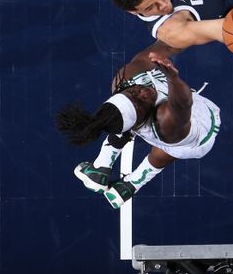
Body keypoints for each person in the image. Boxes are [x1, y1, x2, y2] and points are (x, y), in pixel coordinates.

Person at [55, 48, 219, 208]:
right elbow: (183, 103)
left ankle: (102, 169)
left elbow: (163, 46)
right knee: (163, 152)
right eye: (141, 103)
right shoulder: (166, 122)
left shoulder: (124, 79)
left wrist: (174, 35)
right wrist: (173, 78)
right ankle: (134, 183)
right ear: (139, 121)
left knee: (116, 118)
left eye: (133, 94)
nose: (143, 93)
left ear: (122, 90)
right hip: (200, 131)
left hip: (146, 118)